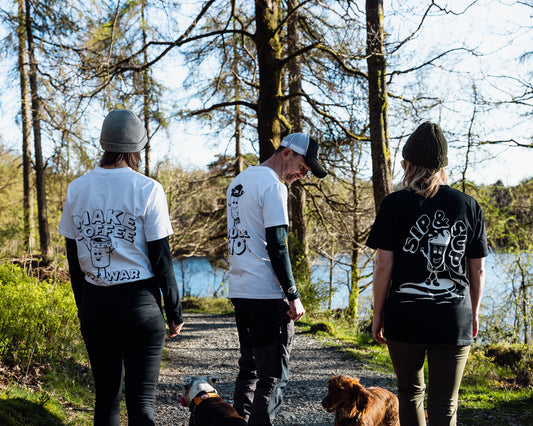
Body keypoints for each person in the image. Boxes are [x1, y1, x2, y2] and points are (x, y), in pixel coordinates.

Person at [58, 109, 184, 426]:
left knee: (107, 400)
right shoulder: (148, 189)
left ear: (104, 143)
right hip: (140, 306)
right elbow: (161, 258)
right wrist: (174, 311)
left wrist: (83, 305)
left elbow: (73, 259)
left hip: (96, 304)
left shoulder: (77, 188)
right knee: (141, 405)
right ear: (136, 147)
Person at [366, 121, 488, 426]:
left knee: (409, 395)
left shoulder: (393, 204)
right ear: (443, 165)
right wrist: (473, 313)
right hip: (453, 317)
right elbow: (478, 269)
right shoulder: (468, 205)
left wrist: (377, 314)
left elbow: (383, 266)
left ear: (407, 163)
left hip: (405, 317)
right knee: (446, 404)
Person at [226, 132, 327, 425]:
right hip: (267, 294)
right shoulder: (273, 186)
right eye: (304, 167)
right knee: (272, 374)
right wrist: (293, 294)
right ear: (286, 153)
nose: (304, 175)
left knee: (249, 368)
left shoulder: (239, 182)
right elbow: (277, 244)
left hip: (240, 289)